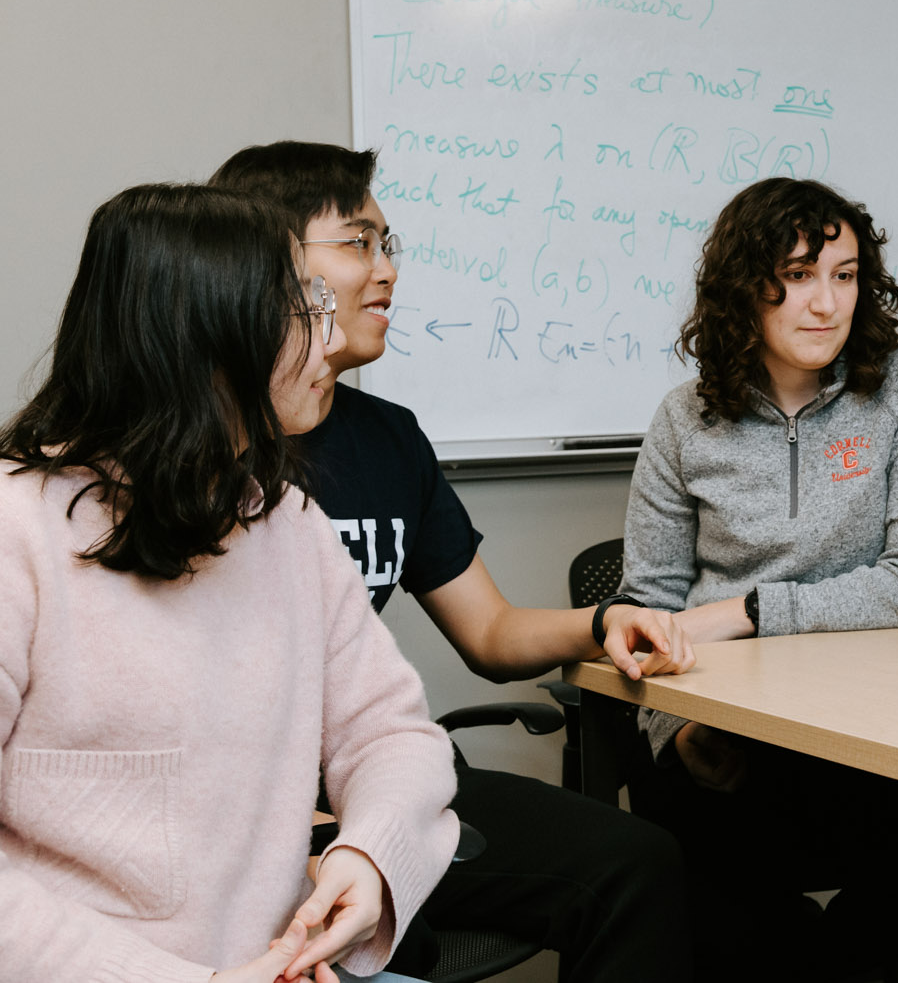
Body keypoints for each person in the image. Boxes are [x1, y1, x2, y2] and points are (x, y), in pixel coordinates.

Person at [0, 183, 458, 982]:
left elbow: (393, 735)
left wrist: (372, 858)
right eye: (305, 309)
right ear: (211, 345)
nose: (332, 333)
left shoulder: (289, 525)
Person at [209, 141, 689, 982]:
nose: (386, 270)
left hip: (386, 780)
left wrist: (604, 620)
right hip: (244, 810)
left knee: (637, 865)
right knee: (394, 939)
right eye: (358, 243)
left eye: (389, 245)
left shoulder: (389, 438)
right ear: (266, 261)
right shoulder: (196, 445)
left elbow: (491, 631)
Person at [619, 176, 898, 982]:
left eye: (844, 275)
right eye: (798, 274)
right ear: (746, 285)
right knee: (710, 905)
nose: (826, 302)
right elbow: (647, 604)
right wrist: (671, 729)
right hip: (724, 736)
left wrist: (743, 610)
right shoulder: (685, 418)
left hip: (864, 729)